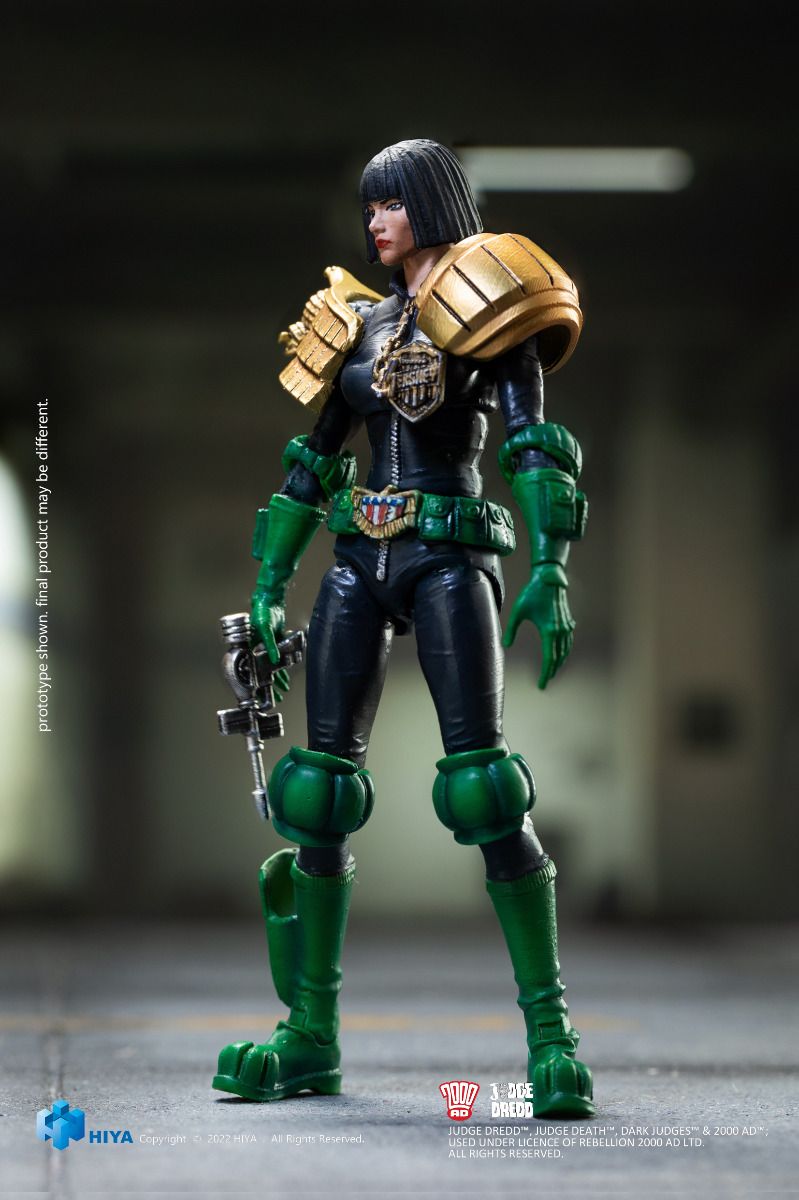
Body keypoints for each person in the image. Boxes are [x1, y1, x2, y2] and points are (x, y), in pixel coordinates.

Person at [212, 139, 594, 1118]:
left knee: (484, 792)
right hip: (356, 560)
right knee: (316, 797)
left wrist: (550, 564)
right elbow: (313, 458)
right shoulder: (356, 321)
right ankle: (309, 1036)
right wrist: (269, 581)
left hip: (446, 554)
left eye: (389, 203)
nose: (375, 221)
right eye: (368, 206)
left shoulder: (492, 297)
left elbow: (532, 444)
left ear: (430, 201)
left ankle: (551, 1039)